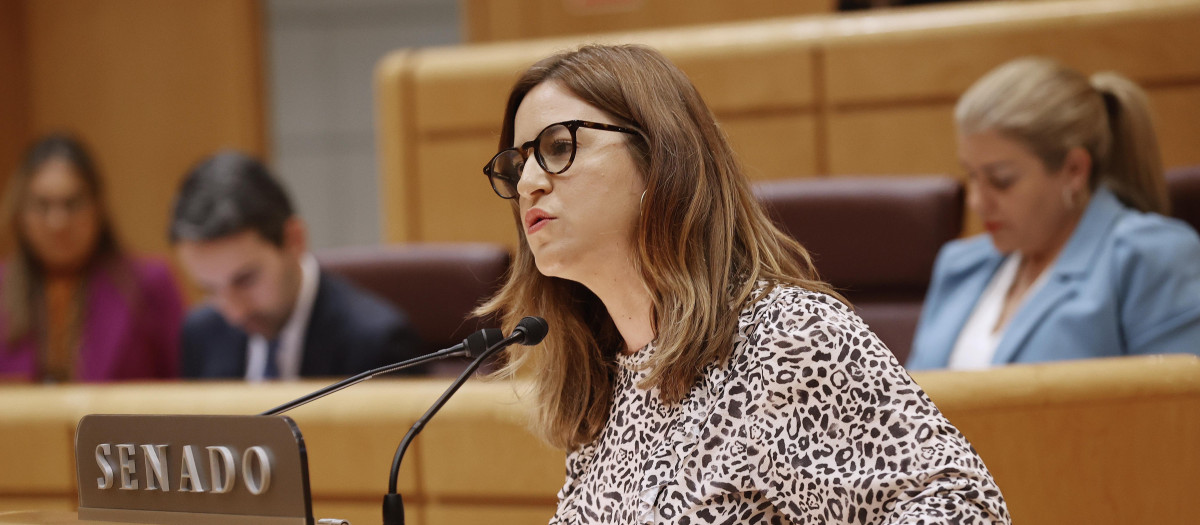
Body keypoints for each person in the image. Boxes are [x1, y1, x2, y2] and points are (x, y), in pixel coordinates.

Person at [476, 44, 1009, 524]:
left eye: (558, 146)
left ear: (659, 158)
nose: (529, 182)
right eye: (518, 163)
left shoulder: (787, 338)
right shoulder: (607, 381)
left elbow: (963, 511)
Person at [908, 58, 1200, 371]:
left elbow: (1176, 412)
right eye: (972, 177)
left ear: (1074, 170)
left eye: (1001, 180)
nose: (978, 202)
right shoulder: (959, 265)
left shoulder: (1146, 257)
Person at [169, 151, 422, 380]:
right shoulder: (201, 334)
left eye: (246, 280)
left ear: (294, 239)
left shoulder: (377, 344)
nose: (234, 313)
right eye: (210, 290)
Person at [0, 134, 183, 382]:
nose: (58, 223)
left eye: (72, 204)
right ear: (20, 213)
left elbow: (183, 389)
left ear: (98, 207)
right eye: (42, 205)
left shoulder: (149, 282)